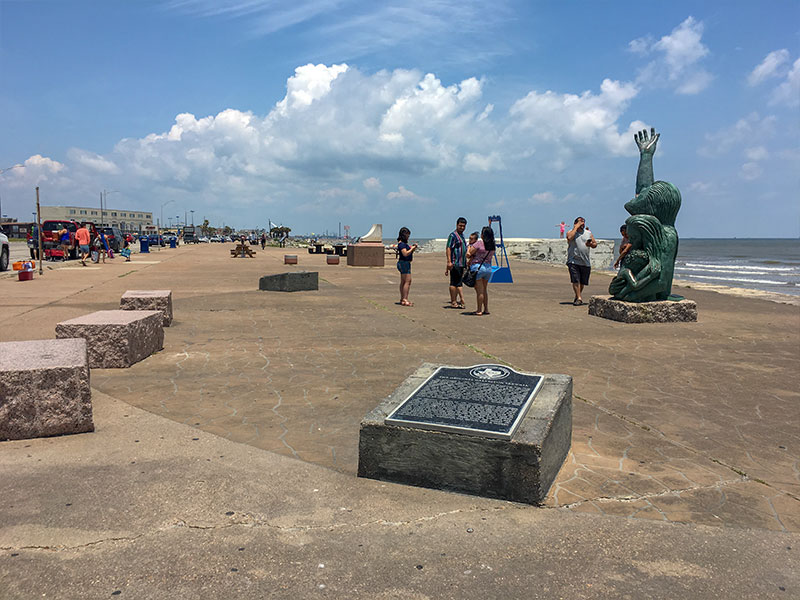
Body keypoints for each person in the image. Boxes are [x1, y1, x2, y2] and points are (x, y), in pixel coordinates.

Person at [566, 216, 597, 306]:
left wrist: (590, 244)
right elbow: (569, 238)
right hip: (573, 260)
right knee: (575, 280)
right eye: (580, 222)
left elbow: (595, 244)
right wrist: (576, 227)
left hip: (585, 261)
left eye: (583, 222)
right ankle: (579, 298)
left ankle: (577, 296)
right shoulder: (571, 232)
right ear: (575, 223)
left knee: (582, 282)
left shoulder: (588, 233)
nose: (582, 224)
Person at [465, 226, 496, 316]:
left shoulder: (479, 243)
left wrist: (468, 247)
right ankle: (486, 309)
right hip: (488, 268)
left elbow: (468, 254)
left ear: (483, 235)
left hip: (478, 267)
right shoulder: (492, 245)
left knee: (479, 291)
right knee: (484, 289)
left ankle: (479, 310)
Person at [445, 217, 468, 309]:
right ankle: (453, 301)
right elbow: (448, 248)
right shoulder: (453, 235)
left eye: (463, 226)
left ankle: (458, 299)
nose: (462, 227)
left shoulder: (462, 236)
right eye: (460, 226)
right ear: (456, 225)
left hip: (462, 263)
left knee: (459, 282)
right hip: (455, 263)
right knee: (454, 283)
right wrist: (449, 261)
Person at [396, 227, 417, 307]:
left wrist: (412, 249)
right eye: (407, 235)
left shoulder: (402, 244)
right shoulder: (401, 244)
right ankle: (405, 299)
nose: (408, 237)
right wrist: (412, 249)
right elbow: (405, 254)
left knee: (403, 281)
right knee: (407, 281)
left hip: (404, 263)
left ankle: (402, 298)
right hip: (404, 263)